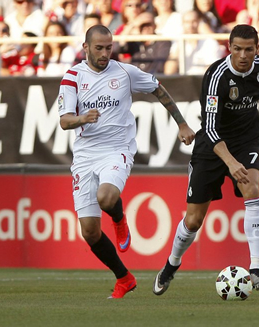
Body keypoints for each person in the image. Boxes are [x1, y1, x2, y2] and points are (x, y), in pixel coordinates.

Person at [58, 24, 195, 299]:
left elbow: (158, 89)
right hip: (85, 154)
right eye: (99, 48)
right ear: (85, 48)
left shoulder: (124, 72)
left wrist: (182, 124)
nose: (105, 53)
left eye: (109, 48)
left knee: (106, 198)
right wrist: (82, 118)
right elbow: (64, 121)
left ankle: (119, 219)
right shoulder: (72, 77)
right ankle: (124, 278)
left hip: (117, 148)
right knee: (89, 232)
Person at [152, 24, 259, 296]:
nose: (243, 55)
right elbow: (210, 129)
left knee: (253, 188)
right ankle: (171, 264)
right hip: (212, 147)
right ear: (230, 48)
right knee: (193, 221)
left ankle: (257, 268)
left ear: (257, 49)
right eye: (237, 49)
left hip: (247, 141)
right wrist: (230, 162)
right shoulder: (216, 77)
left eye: (249, 49)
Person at [164, 10, 224, 75]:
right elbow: (169, 72)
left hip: (202, 81)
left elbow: (212, 70)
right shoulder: (178, 42)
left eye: (194, 21)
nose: (190, 25)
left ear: (199, 22)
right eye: (187, 22)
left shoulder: (210, 42)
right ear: (182, 24)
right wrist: (179, 47)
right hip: (183, 81)